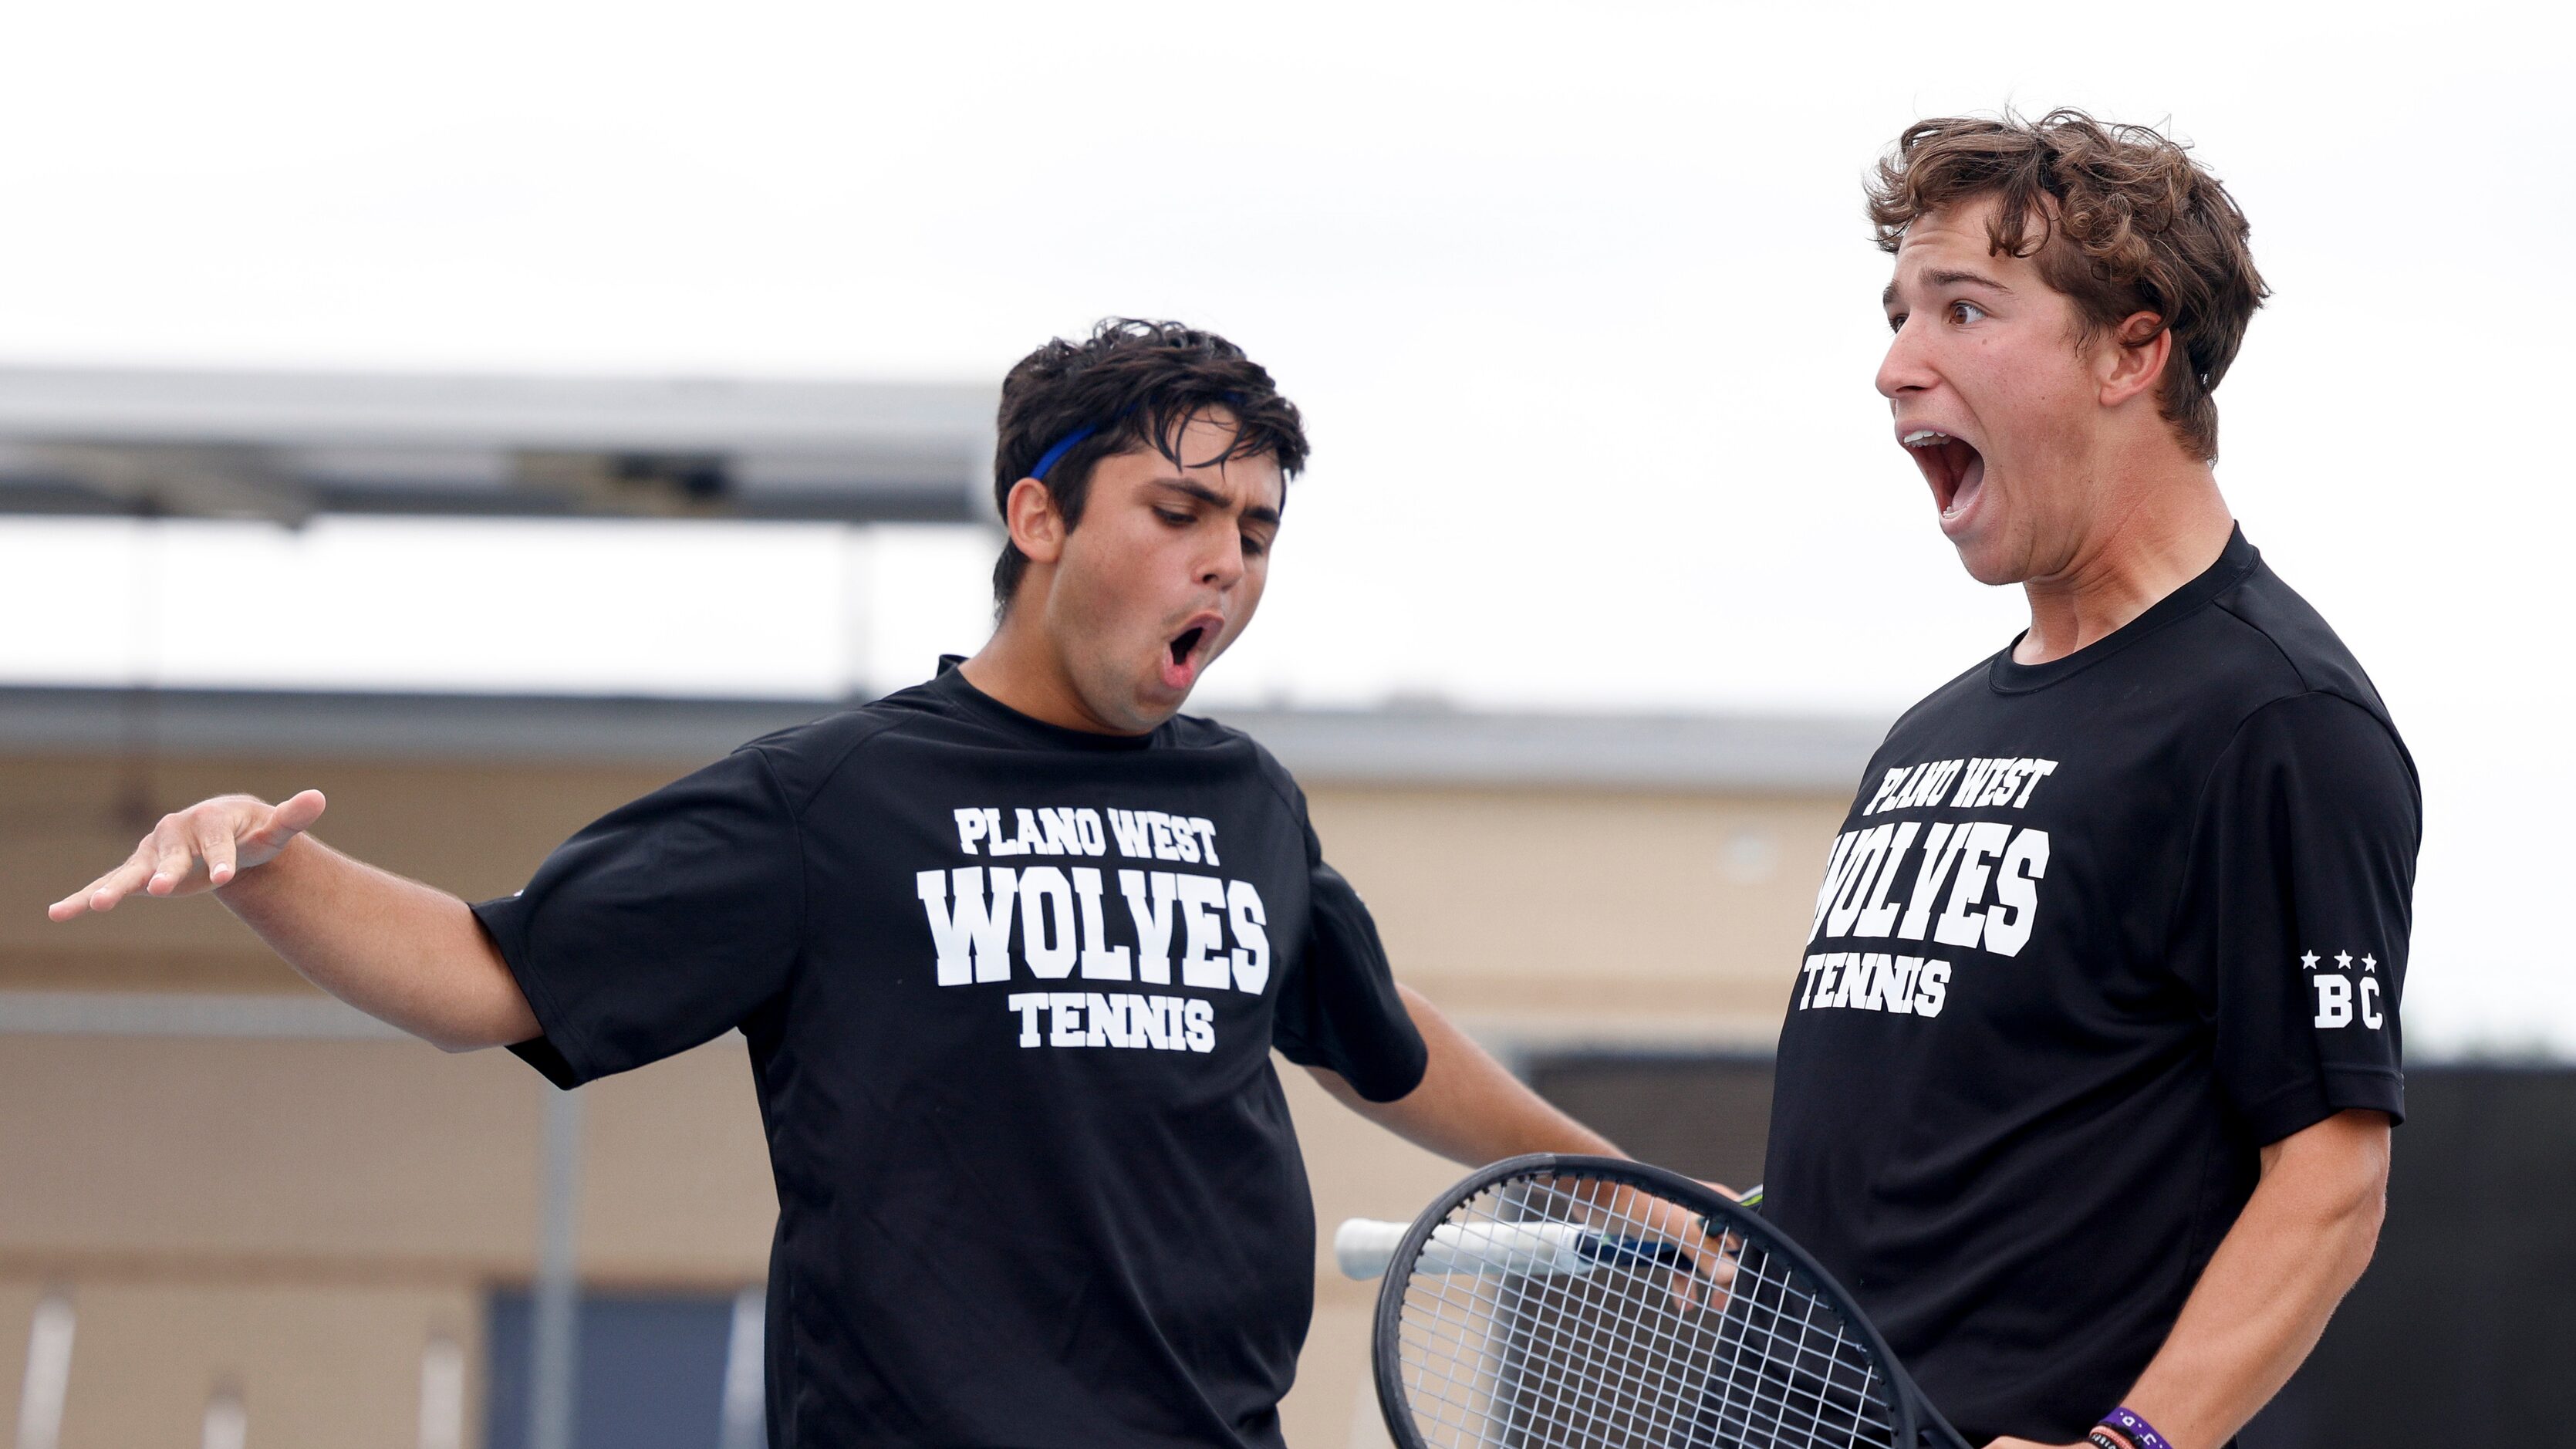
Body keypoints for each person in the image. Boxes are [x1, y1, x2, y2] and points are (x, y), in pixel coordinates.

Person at [48, 319, 1637, 1448]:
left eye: (1256, 529)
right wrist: (276, 865)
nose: (1226, 560)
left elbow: (1377, 1039)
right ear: (1037, 516)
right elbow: (491, 976)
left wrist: (1615, 1176)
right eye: (1177, 513)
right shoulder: (831, 804)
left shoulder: (1247, 804)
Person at [1763, 113, 2417, 1449]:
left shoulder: (2276, 719)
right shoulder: (1926, 736)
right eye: (1898, 314)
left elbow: (2334, 1175)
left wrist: (2131, 1444)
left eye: (1962, 310)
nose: (1896, 367)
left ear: (2134, 348)